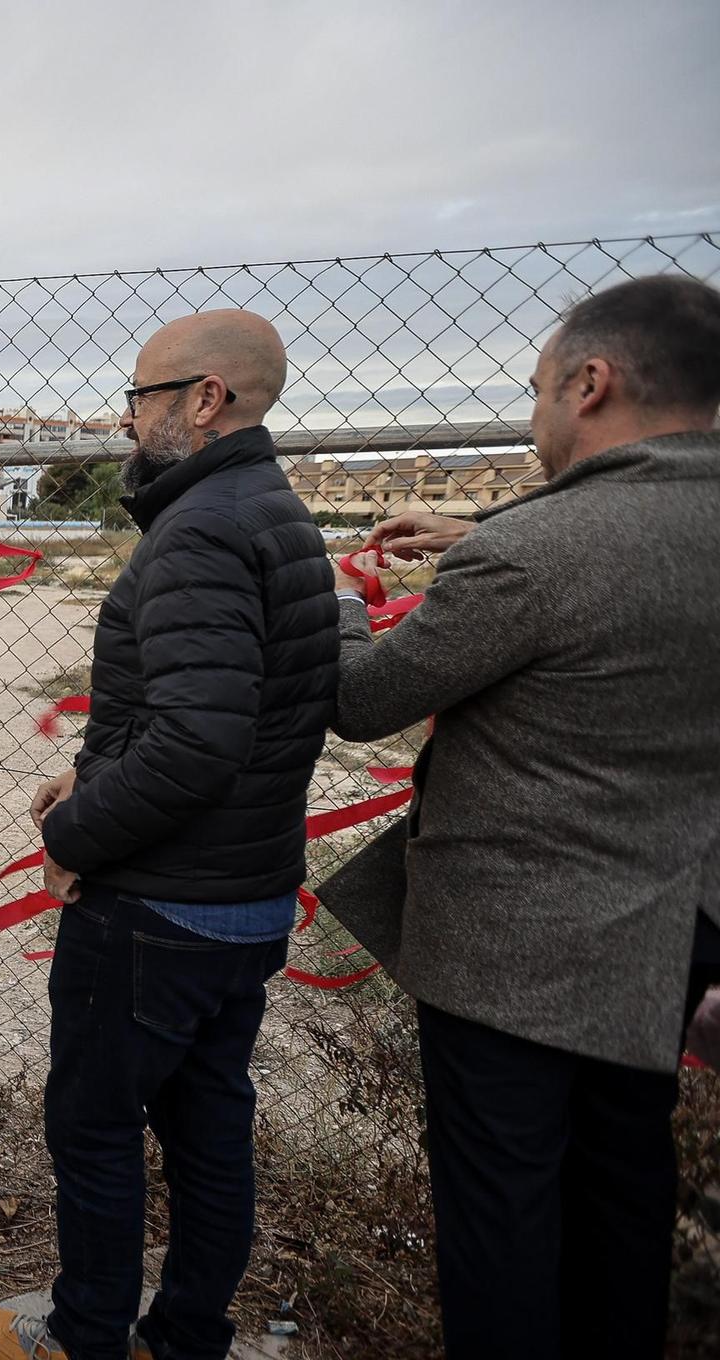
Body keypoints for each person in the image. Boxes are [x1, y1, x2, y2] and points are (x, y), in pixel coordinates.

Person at [322, 274, 720, 1357]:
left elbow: (362, 704)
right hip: (660, 948)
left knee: (501, 1230)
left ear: (591, 383)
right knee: (619, 1212)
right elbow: (627, 544)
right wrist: (476, 527)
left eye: (537, 389)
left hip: (506, 958)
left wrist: (341, 605)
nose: (534, 414)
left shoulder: (529, 555)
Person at [0, 311, 339, 1360]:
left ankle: (84, 1336)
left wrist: (78, 834)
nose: (122, 417)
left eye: (138, 397)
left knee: (94, 1130)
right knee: (207, 1132)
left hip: (159, 910)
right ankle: (183, 1338)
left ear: (204, 398)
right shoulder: (270, 509)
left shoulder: (201, 530)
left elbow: (194, 743)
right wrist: (87, 768)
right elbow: (231, 712)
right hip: (243, 895)